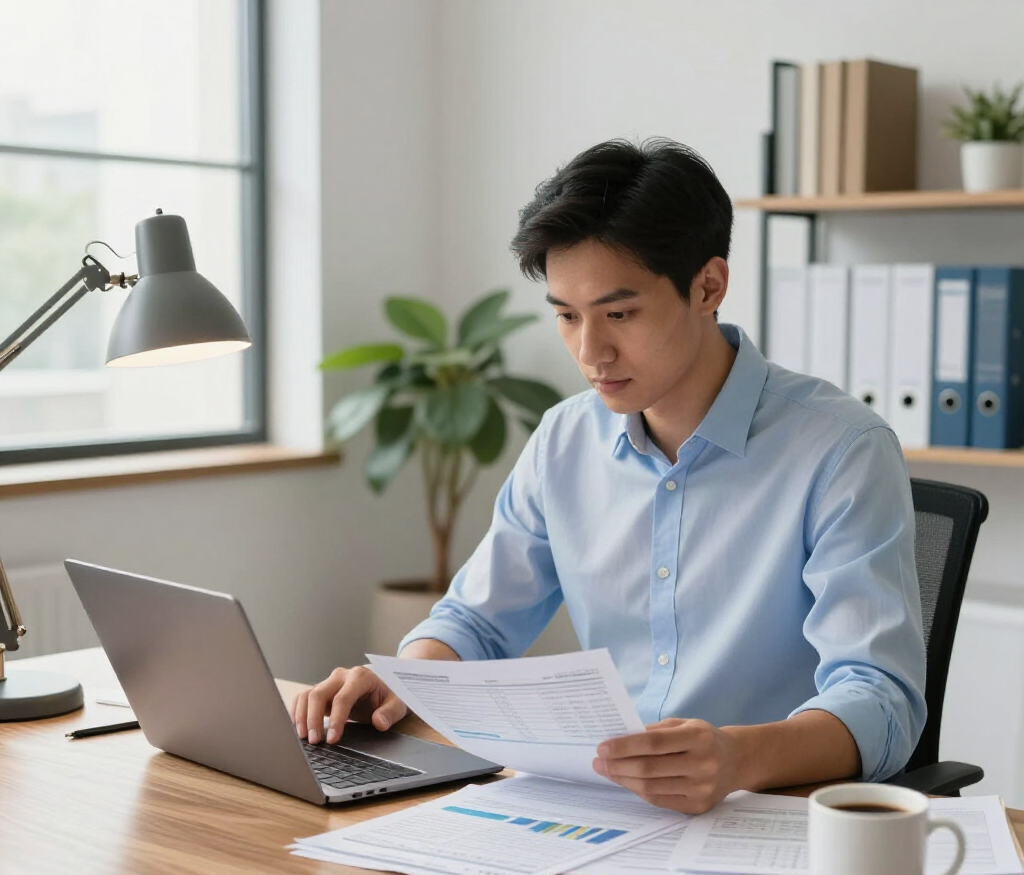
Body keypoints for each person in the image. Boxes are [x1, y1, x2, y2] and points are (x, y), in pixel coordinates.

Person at [292, 137, 926, 814]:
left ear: (708, 286)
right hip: (598, 807)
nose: (591, 352)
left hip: (762, 813)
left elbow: (879, 698)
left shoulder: (841, 449)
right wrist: (402, 682)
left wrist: (739, 756)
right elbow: (476, 621)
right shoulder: (566, 437)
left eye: (619, 314)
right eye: (567, 316)